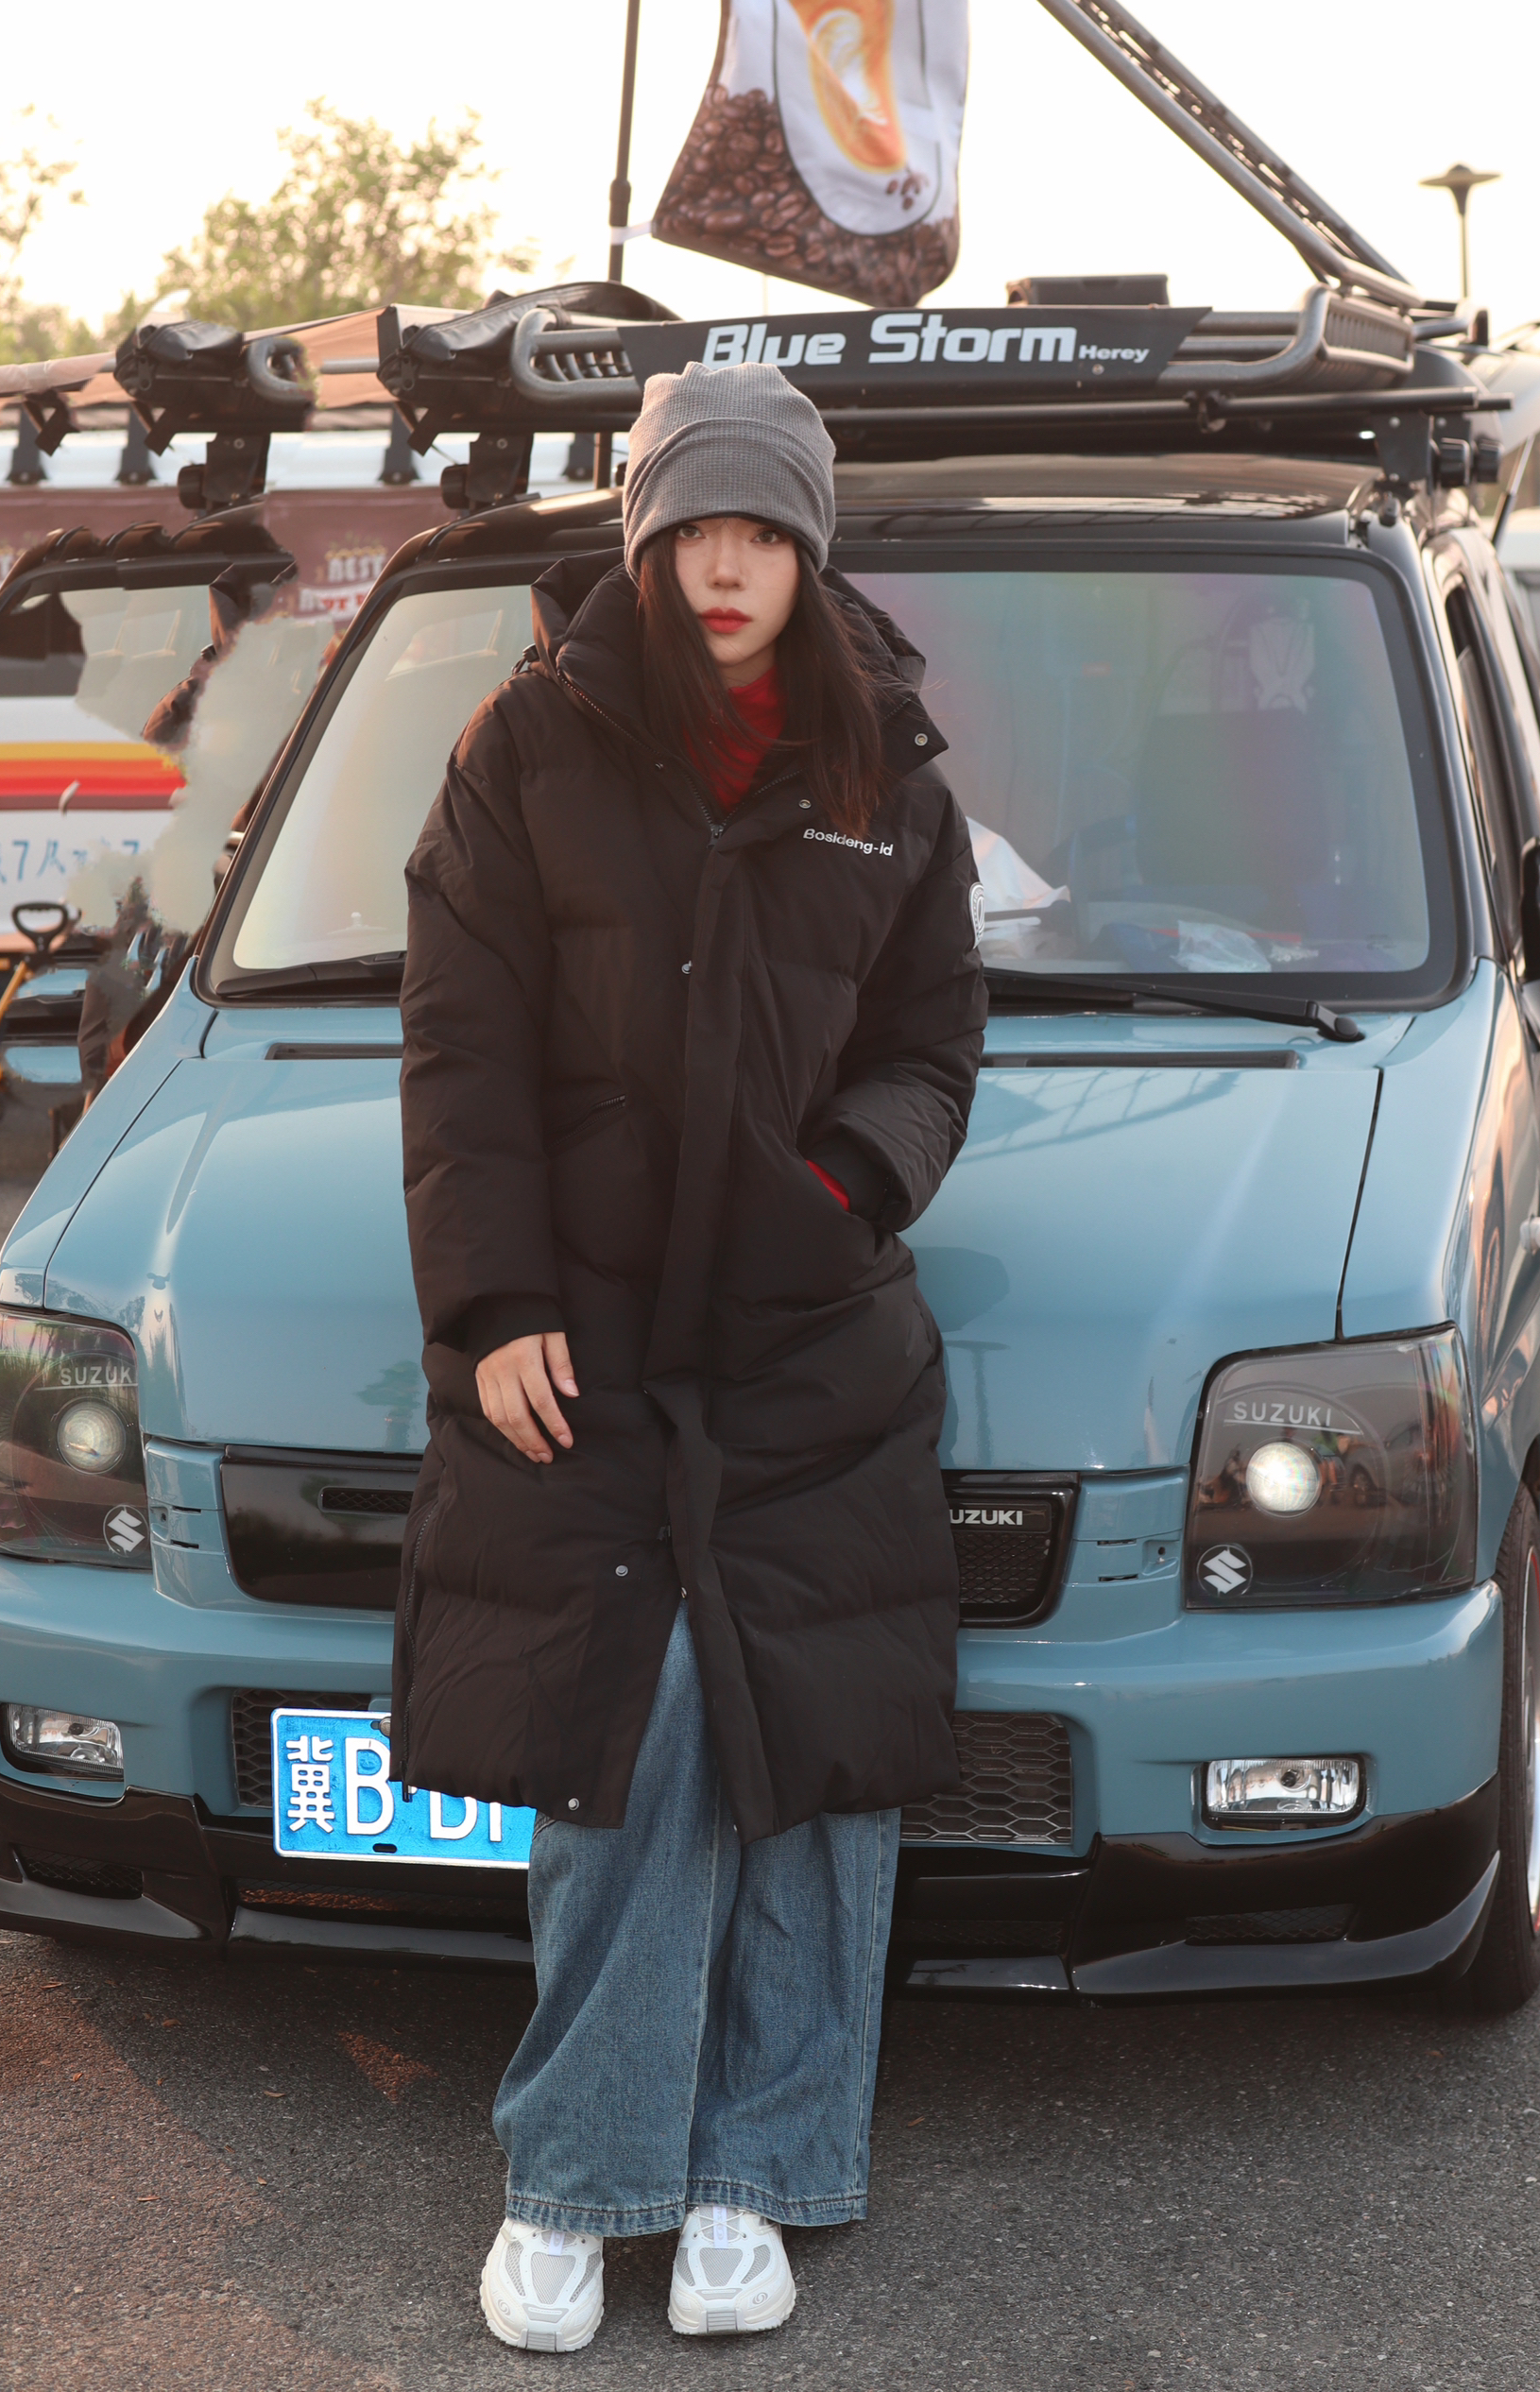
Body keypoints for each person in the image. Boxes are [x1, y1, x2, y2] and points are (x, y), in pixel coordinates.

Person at [393, 358, 986, 2351]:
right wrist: (491, 1305)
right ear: (640, 544)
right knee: (620, 1744)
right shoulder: (526, 747)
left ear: (808, 554)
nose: (725, 568)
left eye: (760, 534)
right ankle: (577, 2181)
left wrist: (846, 1185)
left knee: (813, 1753)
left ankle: (759, 2174)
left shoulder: (887, 771)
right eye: (693, 530)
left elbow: (931, 1042)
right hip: (583, 1345)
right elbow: (459, 1049)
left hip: (810, 1341)